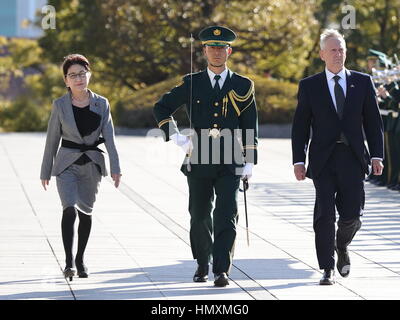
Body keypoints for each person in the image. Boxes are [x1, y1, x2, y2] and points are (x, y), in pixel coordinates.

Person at [153, 26, 258, 287]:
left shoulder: (243, 85)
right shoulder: (192, 83)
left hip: (230, 157)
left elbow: (250, 124)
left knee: (226, 213)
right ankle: (202, 262)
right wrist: (176, 136)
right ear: (204, 51)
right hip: (199, 155)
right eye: (212, 47)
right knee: (199, 213)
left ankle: (221, 268)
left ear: (229, 51)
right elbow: (162, 107)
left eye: (222, 48)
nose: (217, 52)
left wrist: (249, 161)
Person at [291, 29, 384, 285]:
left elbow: (374, 123)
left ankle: (341, 245)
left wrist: (377, 155)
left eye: (341, 49)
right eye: (333, 50)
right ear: (322, 54)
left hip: (353, 158)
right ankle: (327, 268)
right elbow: (300, 126)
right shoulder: (309, 86)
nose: (338, 54)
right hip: (323, 159)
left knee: (353, 215)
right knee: (325, 215)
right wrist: (299, 160)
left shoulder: (363, 82)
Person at [40, 54, 122, 280]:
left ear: (89, 75)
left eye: (82, 74)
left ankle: (80, 257)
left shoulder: (102, 103)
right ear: (66, 80)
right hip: (66, 164)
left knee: (85, 212)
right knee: (69, 208)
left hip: (92, 165)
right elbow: (52, 140)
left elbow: (110, 138)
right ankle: (68, 262)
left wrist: (116, 167)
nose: (78, 79)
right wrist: (45, 171)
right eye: (73, 75)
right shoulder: (60, 105)